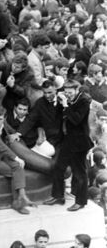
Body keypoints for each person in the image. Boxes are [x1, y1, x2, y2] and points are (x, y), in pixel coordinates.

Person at [44, 80, 93, 211]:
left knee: (79, 173)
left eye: (70, 92)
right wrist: (58, 104)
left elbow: (76, 120)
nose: (68, 95)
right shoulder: (66, 100)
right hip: (67, 140)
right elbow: (58, 116)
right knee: (59, 167)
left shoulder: (84, 101)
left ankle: (81, 201)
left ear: (77, 90)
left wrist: (66, 105)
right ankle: (58, 196)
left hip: (79, 142)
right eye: (66, 92)